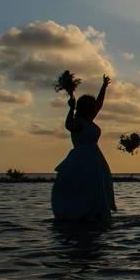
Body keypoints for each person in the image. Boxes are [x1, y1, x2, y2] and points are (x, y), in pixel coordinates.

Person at [51, 75, 115, 222]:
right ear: (82, 108)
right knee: (82, 187)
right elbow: (69, 126)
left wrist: (104, 87)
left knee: (97, 188)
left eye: (93, 106)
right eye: (89, 106)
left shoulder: (90, 120)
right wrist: (71, 109)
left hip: (95, 160)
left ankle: (96, 213)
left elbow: (99, 104)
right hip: (80, 160)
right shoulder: (78, 121)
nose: (93, 108)